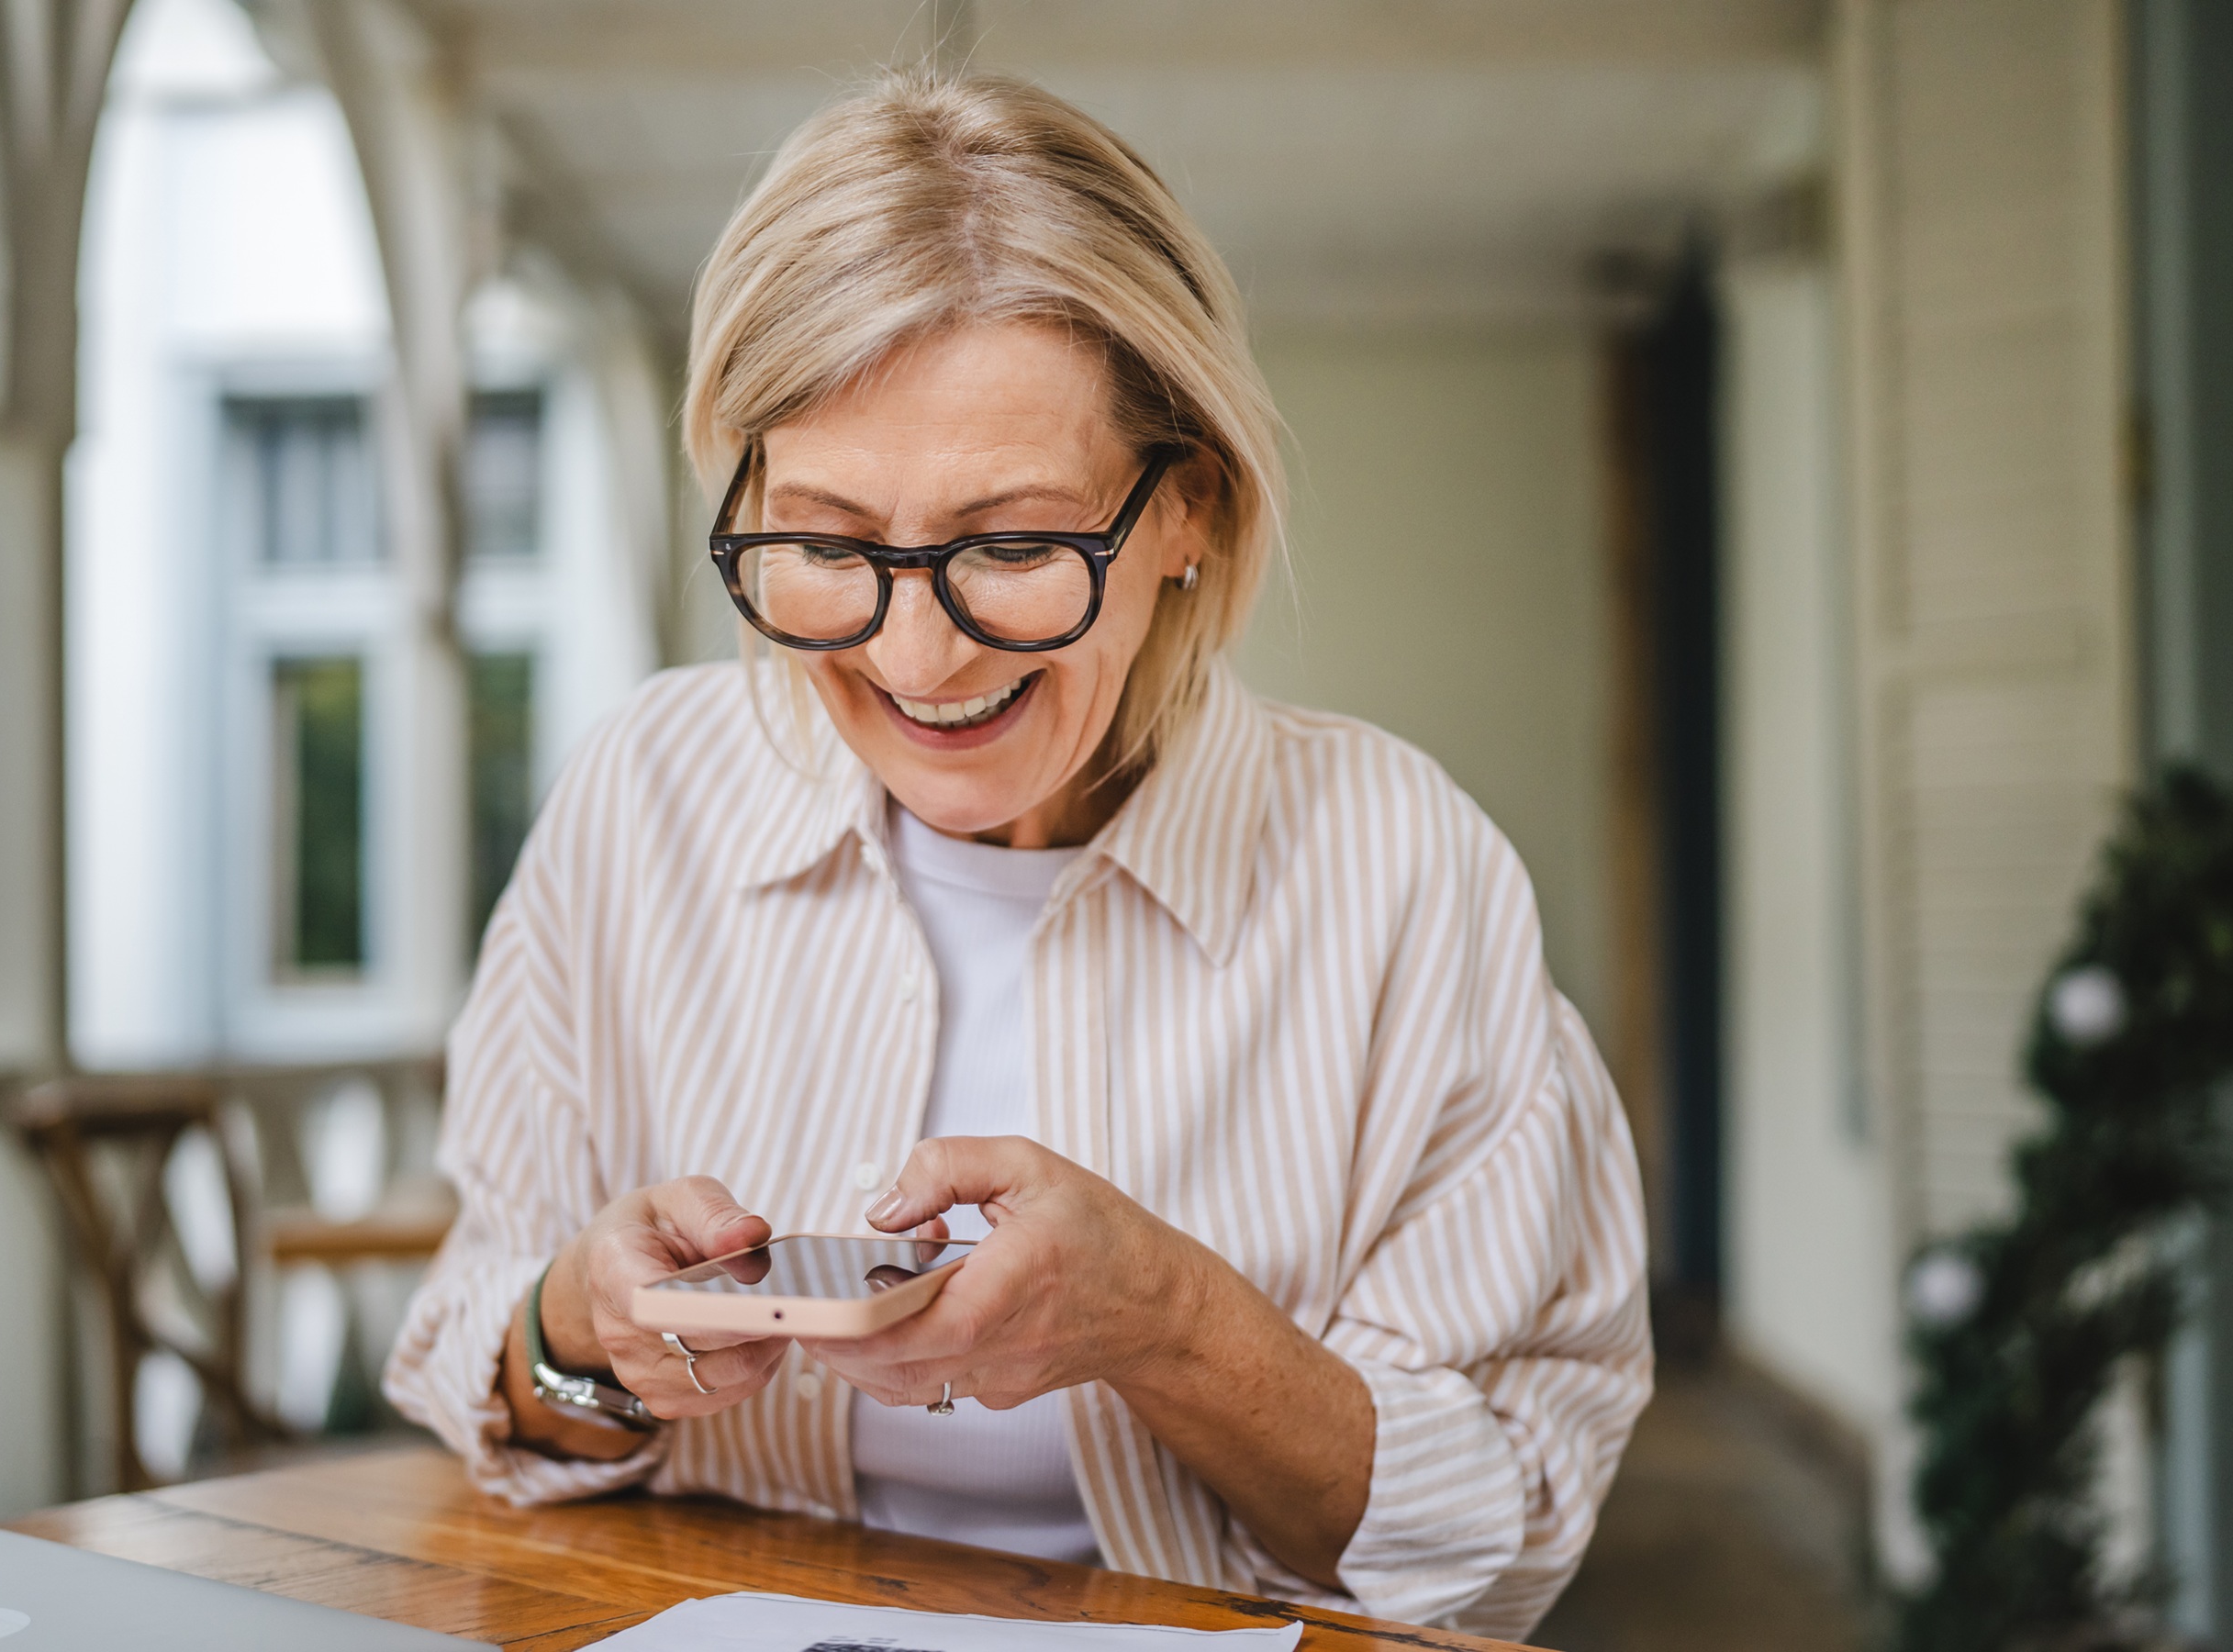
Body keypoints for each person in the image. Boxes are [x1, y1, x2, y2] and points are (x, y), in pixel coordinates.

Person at [385, 69, 1649, 1640]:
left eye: (1012, 546)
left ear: (1187, 508)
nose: (916, 656)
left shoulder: (1404, 875)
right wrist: (581, 1329)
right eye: (832, 546)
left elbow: (1505, 1535)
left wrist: (1168, 1322)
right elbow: (482, 1367)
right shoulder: (641, 803)